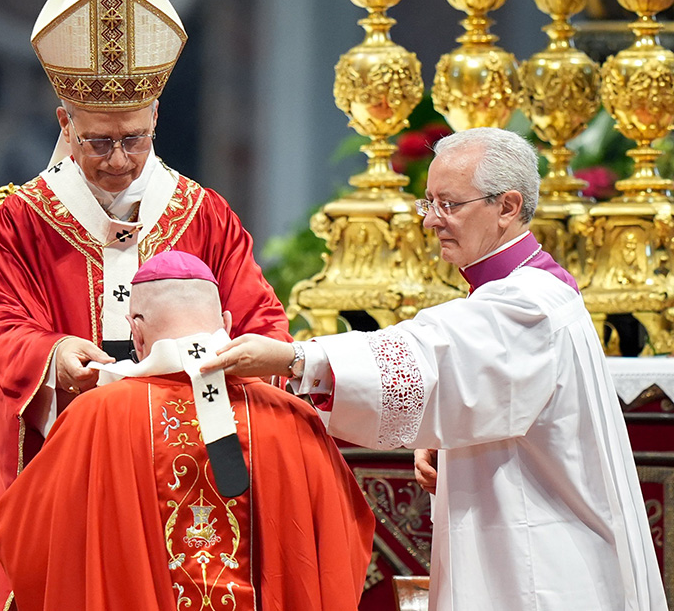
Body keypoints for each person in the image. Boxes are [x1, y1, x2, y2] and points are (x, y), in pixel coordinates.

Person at [201, 127, 667, 610]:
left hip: (543, 568)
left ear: (507, 207)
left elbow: (425, 355)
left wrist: (295, 358)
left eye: (449, 205)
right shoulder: (520, 290)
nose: (431, 222)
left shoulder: (529, 302)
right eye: (429, 204)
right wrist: (438, 434)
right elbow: (477, 381)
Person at [0, 0, 290, 611]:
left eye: (132, 139)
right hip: (68, 458)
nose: (117, 160)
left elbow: (261, 323)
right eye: (98, 142)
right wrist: (54, 355)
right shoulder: (26, 219)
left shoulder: (202, 213)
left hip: (188, 457)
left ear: (157, 119)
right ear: (64, 125)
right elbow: (0, 327)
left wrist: (231, 360)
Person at [0, 252, 375, 611]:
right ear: (225, 324)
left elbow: (26, 537)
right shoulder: (294, 419)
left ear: (135, 332)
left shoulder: (92, 417)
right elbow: (347, 541)